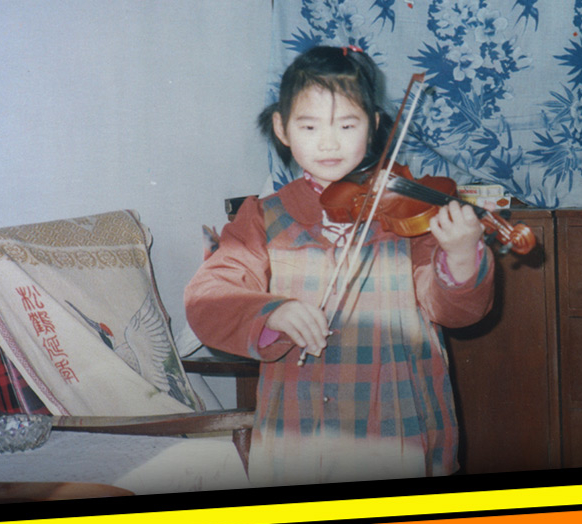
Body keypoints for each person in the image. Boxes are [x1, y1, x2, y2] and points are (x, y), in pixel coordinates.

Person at [185, 45, 492, 485]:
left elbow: (454, 310)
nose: (328, 142)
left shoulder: (409, 213)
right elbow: (208, 297)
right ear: (282, 128)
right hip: (300, 426)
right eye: (309, 126)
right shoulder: (262, 216)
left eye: (348, 125)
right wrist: (272, 312)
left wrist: (461, 256)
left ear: (375, 126)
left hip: (398, 420)